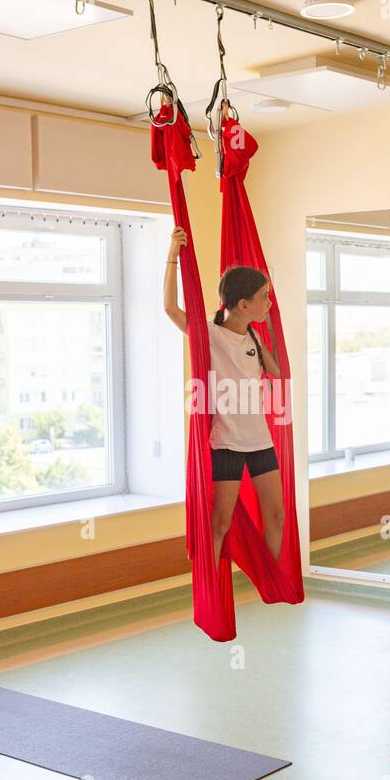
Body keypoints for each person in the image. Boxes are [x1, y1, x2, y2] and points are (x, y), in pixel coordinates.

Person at [162, 228, 284, 570]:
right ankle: (211, 586)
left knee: (276, 515)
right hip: (227, 444)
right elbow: (171, 308)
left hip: (260, 442)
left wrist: (268, 328)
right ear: (244, 304)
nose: (269, 303)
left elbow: (276, 371)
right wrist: (173, 254)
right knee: (219, 523)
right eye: (265, 297)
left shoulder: (254, 336)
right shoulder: (211, 334)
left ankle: (270, 580)